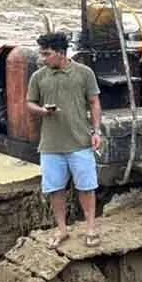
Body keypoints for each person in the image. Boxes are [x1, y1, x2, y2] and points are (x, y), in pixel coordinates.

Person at [27, 32, 102, 248]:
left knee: (86, 188)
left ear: (61, 53)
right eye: (41, 54)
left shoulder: (84, 73)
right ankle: (62, 230)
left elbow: (94, 102)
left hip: (79, 142)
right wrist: (41, 111)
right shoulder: (39, 77)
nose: (42, 58)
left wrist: (96, 131)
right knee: (55, 189)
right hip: (50, 145)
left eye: (46, 54)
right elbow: (29, 102)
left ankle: (90, 228)